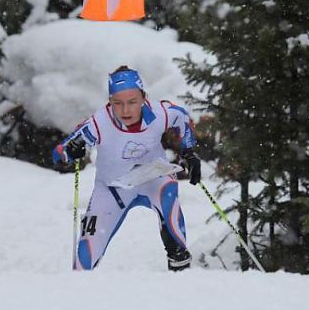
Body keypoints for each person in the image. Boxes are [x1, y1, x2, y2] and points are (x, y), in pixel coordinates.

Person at [52, 66, 201, 271]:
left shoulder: (161, 113)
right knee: (85, 259)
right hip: (113, 188)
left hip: (153, 177)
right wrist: (68, 153)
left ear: (143, 97)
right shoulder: (99, 122)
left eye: (132, 102)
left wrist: (189, 153)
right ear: (110, 101)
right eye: (117, 103)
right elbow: (60, 151)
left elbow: (182, 118)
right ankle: (78, 294)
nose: (125, 110)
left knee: (169, 208)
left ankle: (181, 275)